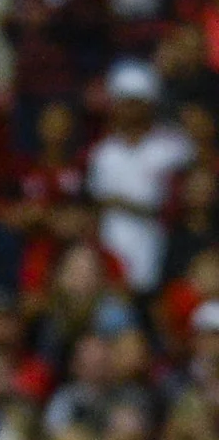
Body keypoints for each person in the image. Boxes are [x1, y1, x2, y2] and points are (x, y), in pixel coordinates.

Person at [90, 59, 193, 295]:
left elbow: (184, 200)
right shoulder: (104, 152)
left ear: (150, 104)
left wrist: (126, 204)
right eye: (124, 103)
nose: (129, 110)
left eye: (136, 103)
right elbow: (97, 205)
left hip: (162, 244)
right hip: (113, 245)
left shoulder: (174, 146)